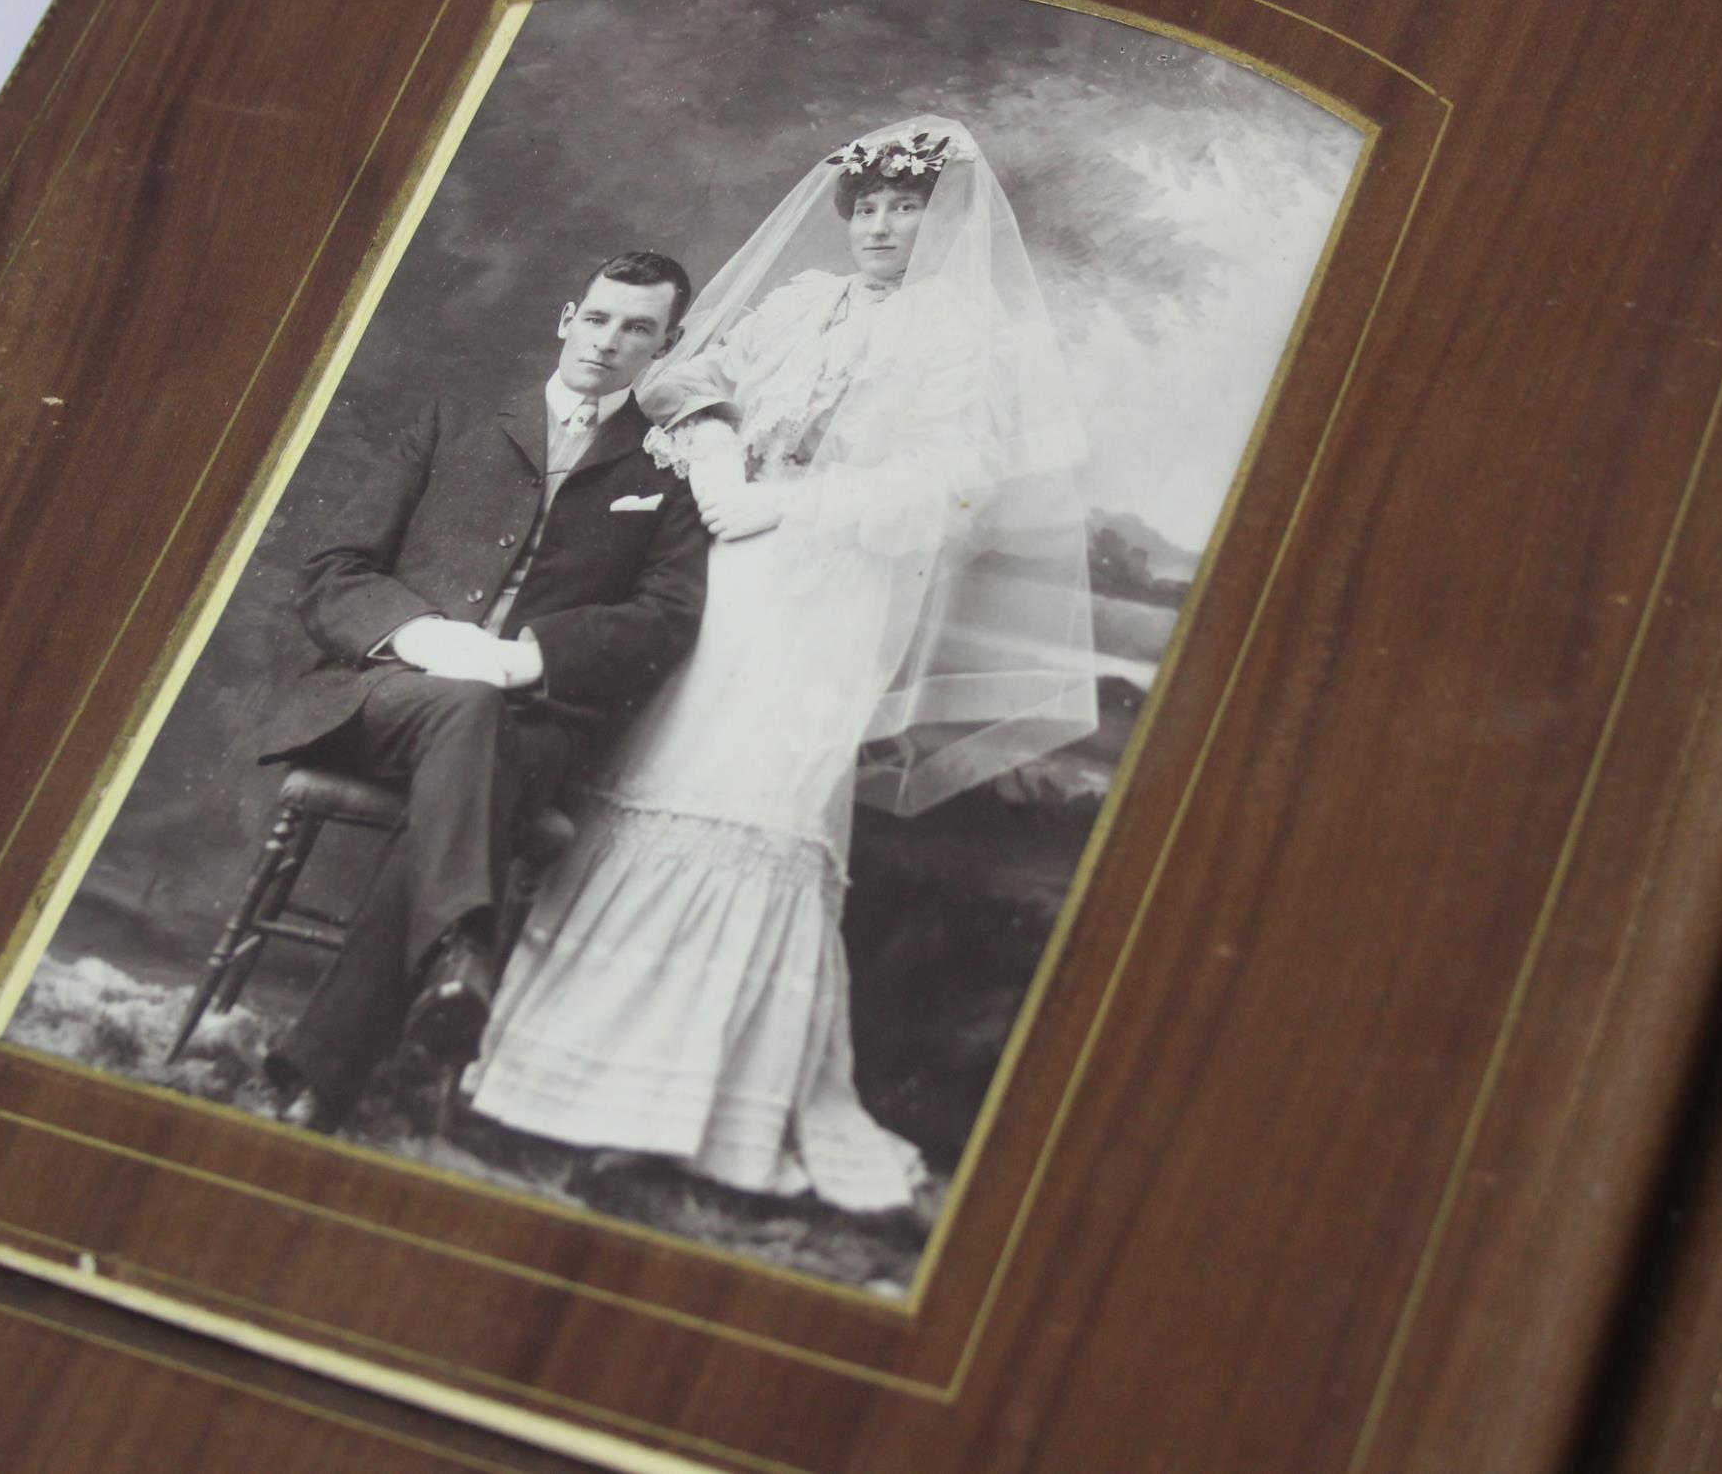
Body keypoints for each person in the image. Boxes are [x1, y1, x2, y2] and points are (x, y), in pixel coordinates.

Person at [465, 117, 1100, 1214]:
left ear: (942, 221)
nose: (881, 226)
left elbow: (955, 485)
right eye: (868, 206)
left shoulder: (967, 334)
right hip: (728, 575)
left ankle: (680, 1119)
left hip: (833, 597)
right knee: (650, 789)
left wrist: (791, 503)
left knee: (750, 808)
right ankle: (549, 1084)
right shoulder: (803, 300)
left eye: (907, 207)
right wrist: (717, 452)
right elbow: (679, 378)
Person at [257, 251, 714, 1131]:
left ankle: (318, 1080)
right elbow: (333, 573)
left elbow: (666, 618)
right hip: (383, 693)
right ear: (567, 317)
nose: (609, 342)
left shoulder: (665, 472)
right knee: (470, 721)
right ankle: (459, 946)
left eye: (638, 329)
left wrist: (523, 658)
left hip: (528, 713)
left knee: (480, 750)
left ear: (669, 342)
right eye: (598, 319)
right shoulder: (454, 417)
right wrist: (431, 641)